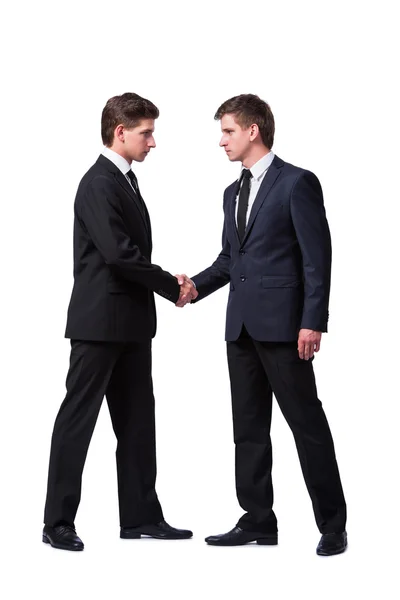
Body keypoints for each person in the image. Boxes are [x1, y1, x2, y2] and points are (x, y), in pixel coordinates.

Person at [177, 94, 347, 556]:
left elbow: (318, 260)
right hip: (241, 331)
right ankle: (257, 519)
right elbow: (230, 260)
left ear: (253, 130)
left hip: (286, 329)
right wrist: (194, 286)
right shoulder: (232, 193)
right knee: (248, 429)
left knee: (306, 426)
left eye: (228, 131)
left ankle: (333, 525)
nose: (221, 141)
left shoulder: (297, 183)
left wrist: (313, 322)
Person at [43, 92, 196, 551]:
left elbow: (128, 255)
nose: (153, 142)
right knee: (78, 421)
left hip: (130, 324)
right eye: (147, 133)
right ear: (120, 132)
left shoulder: (123, 180)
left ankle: (140, 516)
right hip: (98, 325)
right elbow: (118, 255)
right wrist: (173, 285)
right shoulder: (98, 182)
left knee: (137, 422)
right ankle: (57, 523)